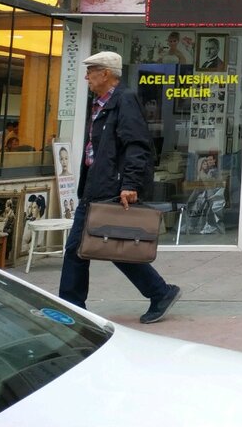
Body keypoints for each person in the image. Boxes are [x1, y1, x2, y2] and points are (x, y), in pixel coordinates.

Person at [59, 51, 181, 324]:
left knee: (94, 247)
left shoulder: (124, 100)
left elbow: (137, 145)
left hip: (111, 187)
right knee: (104, 246)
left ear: (106, 74)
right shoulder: (98, 103)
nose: (86, 77)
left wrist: (130, 184)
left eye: (90, 71)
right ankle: (159, 292)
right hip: (95, 185)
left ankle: (71, 306)